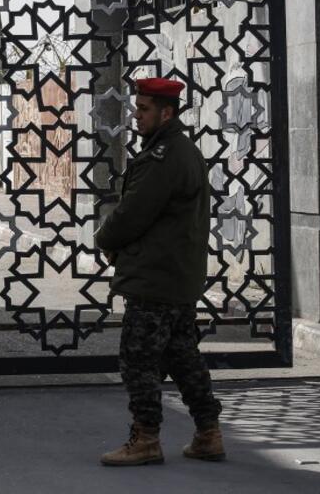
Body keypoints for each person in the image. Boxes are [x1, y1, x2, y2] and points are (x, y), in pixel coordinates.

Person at [96, 77, 224, 466]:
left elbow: (133, 212)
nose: (136, 115)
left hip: (156, 277)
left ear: (166, 113)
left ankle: (146, 439)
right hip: (176, 275)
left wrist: (105, 238)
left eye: (144, 109)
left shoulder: (164, 157)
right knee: (182, 356)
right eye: (137, 107)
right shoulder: (180, 150)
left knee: (138, 360)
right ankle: (208, 433)